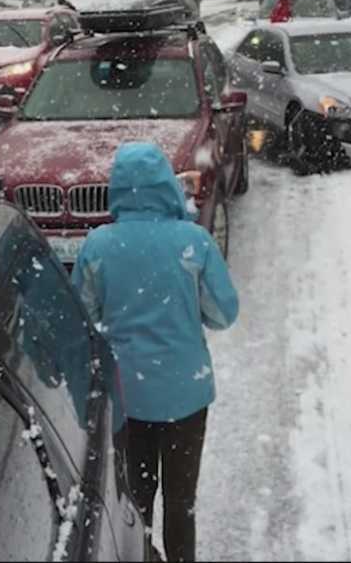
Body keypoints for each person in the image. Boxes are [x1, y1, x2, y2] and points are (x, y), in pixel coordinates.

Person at [71, 142, 239, 563]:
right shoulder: (193, 242)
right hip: (186, 395)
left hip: (129, 399)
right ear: (166, 184)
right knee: (181, 503)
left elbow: (83, 320)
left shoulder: (98, 246)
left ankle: (143, 555)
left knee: (136, 502)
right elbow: (223, 314)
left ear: (118, 189)